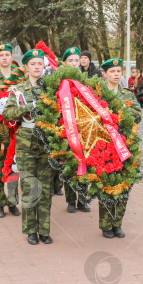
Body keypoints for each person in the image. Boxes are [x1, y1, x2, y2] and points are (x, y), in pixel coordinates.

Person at [2, 49, 55, 245]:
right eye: (33, 64)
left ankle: (45, 229)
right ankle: (31, 230)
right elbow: (7, 114)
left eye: (40, 64)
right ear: (26, 67)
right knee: (29, 186)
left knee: (46, 188)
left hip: (47, 141)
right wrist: (26, 109)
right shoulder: (17, 90)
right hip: (26, 141)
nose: (37, 67)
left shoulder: (51, 89)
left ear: (43, 66)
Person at [98, 58, 142, 238]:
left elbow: (138, 114)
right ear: (105, 74)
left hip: (126, 144)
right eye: (112, 71)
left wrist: (123, 111)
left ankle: (117, 224)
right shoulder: (98, 95)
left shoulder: (128, 94)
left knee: (125, 184)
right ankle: (106, 225)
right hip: (106, 145)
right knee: (107, 184)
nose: (116, 74)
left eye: (118, 71)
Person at [0, 44, 20, 218]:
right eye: (2, 55)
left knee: (14, 165)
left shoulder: (19, 78)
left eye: (8, 54)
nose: (5, 58)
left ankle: (13, 202)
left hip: (15, 128)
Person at [59, 47, 92, 213]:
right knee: (70, 166)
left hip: (84, 130)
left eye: (76, 60)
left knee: (84, 165)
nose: (73, 63)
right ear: (64, 63)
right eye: (70, 60)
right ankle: (71, 201)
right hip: (66, 131)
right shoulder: (58, 81)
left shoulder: (85, 80)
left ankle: (83, 200)